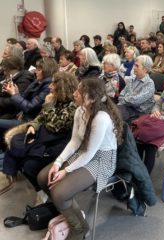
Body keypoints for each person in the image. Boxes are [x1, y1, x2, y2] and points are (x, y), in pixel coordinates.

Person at [37, 77, 123, 240]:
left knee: (60, 193)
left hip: (102, 159)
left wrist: (66, 170)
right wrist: (58, 163)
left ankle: (79, 229)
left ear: (92, 98)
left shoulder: (101, 117)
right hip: (85, 152)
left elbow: (91, 153)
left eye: (80, 92)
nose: (75, 94)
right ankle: (69, 214)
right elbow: (75, 141)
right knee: (43, 178)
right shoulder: (81, 110)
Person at [0, 72, 78, 195]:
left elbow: (55, 126)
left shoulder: (73, 107)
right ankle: (11, 176)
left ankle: (34, 189)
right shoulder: (55, 99)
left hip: (55, 141)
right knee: (15, 140)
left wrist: (47, 105)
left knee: (29, 161)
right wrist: (33, 126)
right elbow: (40, 117)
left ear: (62, 87)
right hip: (43, 133)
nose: (50, 86)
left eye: (53, 84)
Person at [118, 55, 155, 123]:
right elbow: (121, 95)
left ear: (145, 69)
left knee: (117, 115)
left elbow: (136, 101)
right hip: (127, 107)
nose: (134, 68)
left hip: (139, 112)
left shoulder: (149, 83)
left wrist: (125, 99)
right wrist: (127, 99)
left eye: (137, 66)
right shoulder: (132, 79)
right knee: (112, 111)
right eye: (134, 65)